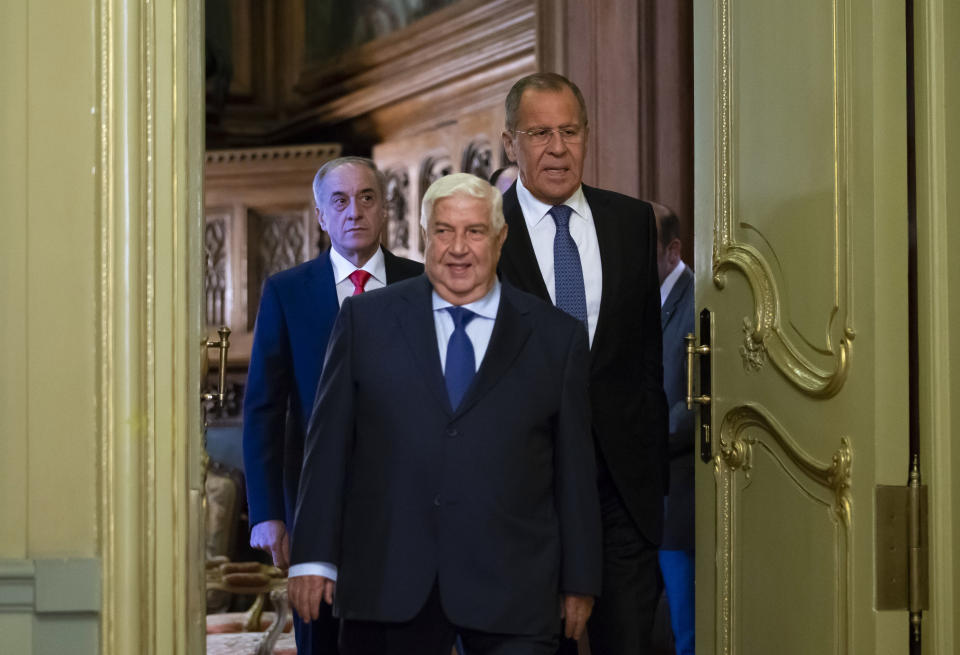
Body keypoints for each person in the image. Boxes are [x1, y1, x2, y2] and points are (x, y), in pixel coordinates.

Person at [287, 173, 602, 655]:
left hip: (514, 590)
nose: (459, 248)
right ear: (422, 234)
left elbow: (575, 469)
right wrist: (312, 558)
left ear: (500, 238)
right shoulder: (365, 321)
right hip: (389, 586)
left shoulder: (555, 338)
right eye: (443, 231)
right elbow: (327, 447)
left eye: (474, 231)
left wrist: (580, 578)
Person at [497, 72, 669, 654]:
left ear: (587, 135)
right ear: (509, 143)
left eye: (569, 131)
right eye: (539, 133)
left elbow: (645, 352)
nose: (557, 147)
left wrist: (649, 468)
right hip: (526, 496)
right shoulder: (484, 235)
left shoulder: (629, 222)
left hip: (621, 491)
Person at [242, 156, 423, 655]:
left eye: (367, 197)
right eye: (339, 201)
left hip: (406, 506)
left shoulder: (422, 284)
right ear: (321, 216)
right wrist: (267, 513)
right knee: (321, 639)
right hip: (314, 509)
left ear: (385, 209)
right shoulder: (286, 292)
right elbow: (263, 408)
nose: (354, 211)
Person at [653, 202, 695, 655]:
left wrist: (639, 435)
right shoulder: (638, 298)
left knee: (688, 633)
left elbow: (701, 401)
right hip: (643, 500)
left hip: (680, 501)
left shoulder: (699, 299)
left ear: (672, 250)